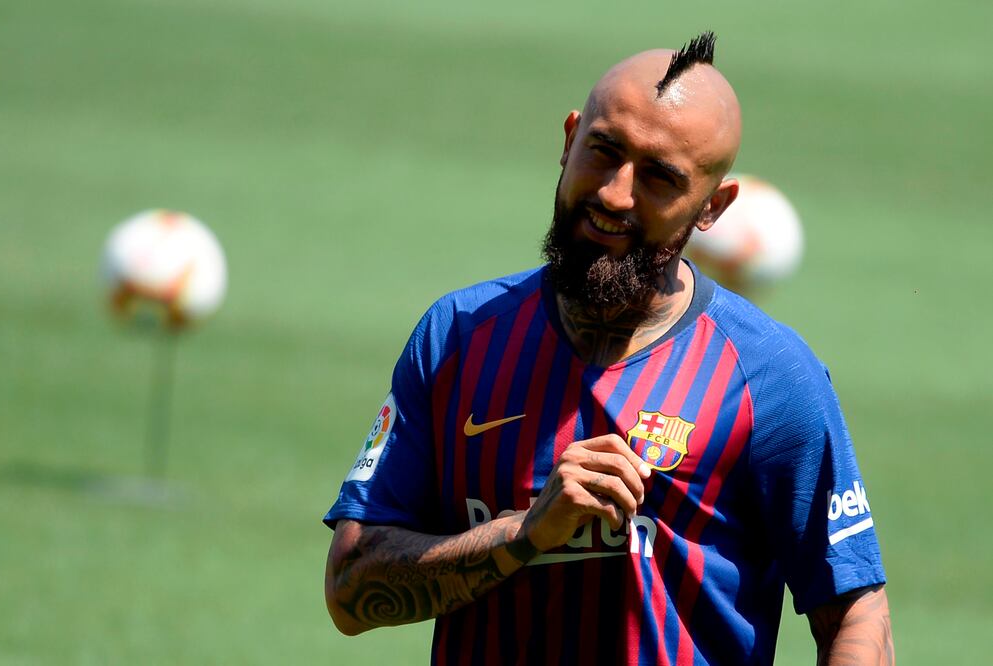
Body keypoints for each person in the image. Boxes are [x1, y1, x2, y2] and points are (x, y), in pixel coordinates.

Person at [323, 33, 892, 665]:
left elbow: (857, 616)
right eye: (603, 151)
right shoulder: (457, 336)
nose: (616, 194)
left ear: (712, 207)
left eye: (660, 177)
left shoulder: (772, 377)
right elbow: (350, 590)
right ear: (569, 141)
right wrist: (526, 533)